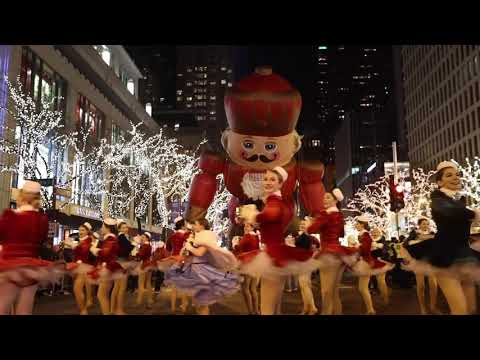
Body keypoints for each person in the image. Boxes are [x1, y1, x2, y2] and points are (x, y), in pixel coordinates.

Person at [402, 161, 480, 315]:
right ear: (439, 181)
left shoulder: (458, 202)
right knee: (460, 310)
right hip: (444, 257)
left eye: (457, 174)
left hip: (465, 256)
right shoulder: (437, 200)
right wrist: (475, 214)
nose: (455, 177)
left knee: (470, 308)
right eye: (449, 175)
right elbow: (450, 212)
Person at [238, 167, 319, 315]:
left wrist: (254, 216)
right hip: (276, 254)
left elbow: (273, 213)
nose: (268, 182)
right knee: (274, 306)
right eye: (266, 179)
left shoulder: (274, 201)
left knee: (267, 308)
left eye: (272, 180)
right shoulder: (272, 200)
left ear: (280, 184)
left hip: (273, 255)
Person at [0, 181, 64, 315]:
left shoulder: (9, 215)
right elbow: (41, 241)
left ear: (21, 196)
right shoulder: (42, 220)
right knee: (25, 307)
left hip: (9, 266)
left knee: (3, 304)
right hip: (32, 267)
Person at [164, 219, 240, 315]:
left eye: (195, 224)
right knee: (198, 303)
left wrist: (189, 246)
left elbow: (200, 253)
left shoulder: (206, 238)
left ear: (202, 225)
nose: (193, 226)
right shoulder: (197, 238)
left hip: (202, 272)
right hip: (195, 270)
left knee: (202, 304)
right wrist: (186, 248)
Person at [302, 188, 358, 315]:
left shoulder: (325, 214)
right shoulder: (339, 215)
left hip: (328, 253)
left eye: (327, 197)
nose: (324, 199)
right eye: (324, 197)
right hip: (339, 253)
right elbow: (342, 234)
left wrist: (311, 223)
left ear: (335, 200)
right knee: (334, 292)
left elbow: (311, 229)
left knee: (326, 291)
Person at [351, 215, 394, 315]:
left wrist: (356, 247)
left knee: (379, 282)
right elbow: (366, 248)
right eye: (373, 232)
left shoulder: (366, 236)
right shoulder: (362, 235)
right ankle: (372, 308)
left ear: (362, 225)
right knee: (363, 287)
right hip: (370, 261)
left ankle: (381, 301)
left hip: (375, 262)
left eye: (357, 224)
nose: (355, 225)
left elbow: (365, 249)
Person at [87, 218, 126, 315]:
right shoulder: (110, 238)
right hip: (109, 267)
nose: (101, 228)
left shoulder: (110, 239)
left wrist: (94, 250)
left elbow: (105, 253)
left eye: (102, 226)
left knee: (102, 295)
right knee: (103, 294)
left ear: (108, 228)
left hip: (108, 267)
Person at [405, 217, 440, 315]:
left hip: (431, 262)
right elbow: (406, 244)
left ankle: (433, 306)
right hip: (418, 262)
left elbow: (438, 246)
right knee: (421, 286)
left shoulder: (432, 234)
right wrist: (419, 241)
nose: (425, 225)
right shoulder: (414, 234)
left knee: (433, 285)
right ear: (419, 225)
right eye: (423, 223)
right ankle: (423, 308)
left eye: (427, 223)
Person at [67, 222, 95, 315]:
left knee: (78, 289)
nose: (80, 232)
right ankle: (83, 308)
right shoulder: (81, 240)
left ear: (88, 231)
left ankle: (83, 310)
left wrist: (72, 245)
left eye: (83, 230)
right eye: (79, 230)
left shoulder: (88, 240)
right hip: (77, 266)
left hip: (84, 267)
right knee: (78, 289)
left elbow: (84, 250)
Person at [232, 222, 260, 315]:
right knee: (253, 288)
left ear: (252, 227)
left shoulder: (247, 236)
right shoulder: (256, 236)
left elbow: (238, 248)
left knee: (245, 288)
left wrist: (234, 243)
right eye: (245, 226)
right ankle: (256, 310)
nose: (245, 227)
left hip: (247, 264)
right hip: (256, 263)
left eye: (248, 226)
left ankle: (250, 311)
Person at [164, 217, 191, 313]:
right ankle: (183, 307)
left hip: (173, 261)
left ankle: (173, 308)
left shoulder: (172, 236)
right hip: (184, 261)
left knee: (174, 287)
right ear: (183, 225)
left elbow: (167, 248)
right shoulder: (187, 235)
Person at [109, 220, 135, 315]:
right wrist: (134, 243)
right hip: (122, 262)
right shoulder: (122, 237)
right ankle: (119, 310)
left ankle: (112, 309)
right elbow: (127, 249)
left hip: (118, 262)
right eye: (123, 228)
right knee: (121, 288)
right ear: (119, 229)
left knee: (116, 287)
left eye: (126, 227)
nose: (126, 229)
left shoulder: (119, 237)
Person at [133, 232, 155, 309]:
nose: (141, 238)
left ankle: (139, 301)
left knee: (141, 284)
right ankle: (150, 300)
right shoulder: (149, 245)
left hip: (144, 265)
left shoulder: (145, 245)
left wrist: (137, 250)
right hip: (149, 264)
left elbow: (140, 255)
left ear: (146, 238)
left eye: (143, 236)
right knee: (148, 284)